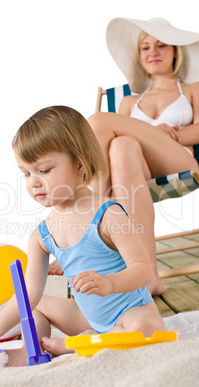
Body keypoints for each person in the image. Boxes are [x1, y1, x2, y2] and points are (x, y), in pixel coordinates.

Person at [0, 106, 165, 366]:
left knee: (148, 329)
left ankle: (72, 346)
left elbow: (144, 269)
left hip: (129, 312)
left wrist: (109, 284)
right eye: (26, 173)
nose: (34, 182)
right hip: (86, 317)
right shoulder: (41, 235)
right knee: (34, 306)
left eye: (44, 170)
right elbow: (31, 292)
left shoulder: (108, 215)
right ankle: (31, 350)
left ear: (80, 164)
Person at [87, 18, 199, 296]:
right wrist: (147, 132)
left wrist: (164, 135)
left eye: (161, 45)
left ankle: (89, 215)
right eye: (145, 47)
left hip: (179, 162)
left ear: (176, 51)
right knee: (123, 145)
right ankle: (148, 275)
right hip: (137, 171)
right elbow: (114, 144)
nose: (153, 52)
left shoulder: (192, 89)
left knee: (99, 120)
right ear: (139, 57)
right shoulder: (127, 102)